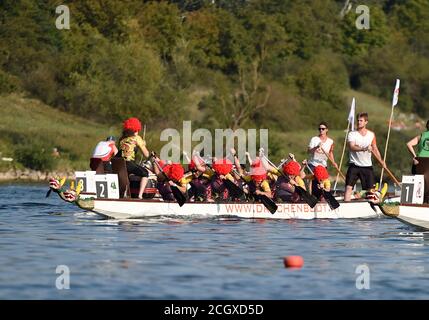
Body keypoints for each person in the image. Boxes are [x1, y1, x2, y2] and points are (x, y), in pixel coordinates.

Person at [344, 112, 385, 201]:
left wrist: (381, 161)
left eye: (361, 121)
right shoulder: (352, 134)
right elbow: (352, 147)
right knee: (348, 188)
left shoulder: (371, 135)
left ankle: (367, 203)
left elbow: (375, 148)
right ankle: (346, 205)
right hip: (354, 165)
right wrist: (364, 148)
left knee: (370, 190)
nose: (359, 122)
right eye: (358, 120)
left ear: (366, 122)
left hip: (367, 166)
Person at [118, 117, 150, 199]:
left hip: (120, 164)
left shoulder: (122, 139)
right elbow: (146, 154)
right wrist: (142, 145)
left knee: (129, 174)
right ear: (136, 129)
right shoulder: (137, 138)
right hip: (129, 163)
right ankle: (140, 195)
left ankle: (124, 194)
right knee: (145, 173)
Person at [307, 121, 338, 194]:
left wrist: (333, 162)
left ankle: (321, 197)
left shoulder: (330, 141)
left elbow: (330, 153)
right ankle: (310, 196)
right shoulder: (314, 139)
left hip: (323, 165)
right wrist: (316, 147)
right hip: (313, 164)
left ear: (327, 130)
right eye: (319, 129)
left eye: (323, 129)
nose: (321, 130)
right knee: (311, 181)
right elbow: (309, 151)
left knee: (322, 183)